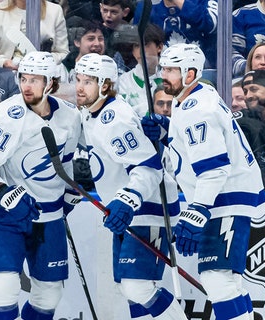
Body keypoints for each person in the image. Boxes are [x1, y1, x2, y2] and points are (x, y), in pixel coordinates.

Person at [143, 43, 265, 319]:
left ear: (190, 74)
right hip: (226, 196)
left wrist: (196, 211)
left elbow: (214, 169)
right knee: (228, 282)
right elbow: (193, 146)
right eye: (163, 68)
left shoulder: (198, 110)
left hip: (225, 198)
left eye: (171, 70)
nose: (164, 74)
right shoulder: (192, 96)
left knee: (217, 279)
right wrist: (165, 130)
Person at [0, 51, 81, 320]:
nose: (26, 86)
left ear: (52, 83)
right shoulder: (7, 115)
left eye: (35, 80)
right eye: (23, 78)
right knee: (3, 288)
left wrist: (71, 190)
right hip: (5, 215)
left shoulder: (70, 116)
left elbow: (65, 163)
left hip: (50, 216)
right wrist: (3, 192)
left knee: (49, 294)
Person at [75, 53, 185, 319]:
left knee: (137, 287)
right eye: (78, 79)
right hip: (127, 208)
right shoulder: (91, 115)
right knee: (131, 289)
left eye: (87, 81)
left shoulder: (115, 119)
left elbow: (149, 168)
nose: (79, 87)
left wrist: (127, 201)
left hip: (147, 207)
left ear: (104, 85)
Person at [0, 0, 69, 70]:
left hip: (43, 72)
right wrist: (4, 62)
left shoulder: (55, 11)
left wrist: (44, 61)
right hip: (6, 73)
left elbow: (62, 52)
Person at [134, 0, 219, 68]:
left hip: (203, 71)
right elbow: (139, 43)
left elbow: (212, 25)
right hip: (160, 73)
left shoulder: (205, 2)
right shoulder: (146, 6)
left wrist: (179, 1)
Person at [116, 23, 165, 117]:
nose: (141, 51)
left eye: (145, 44)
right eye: (136, 46)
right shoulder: (123, 82)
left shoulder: (171, 78)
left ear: (159, 47)